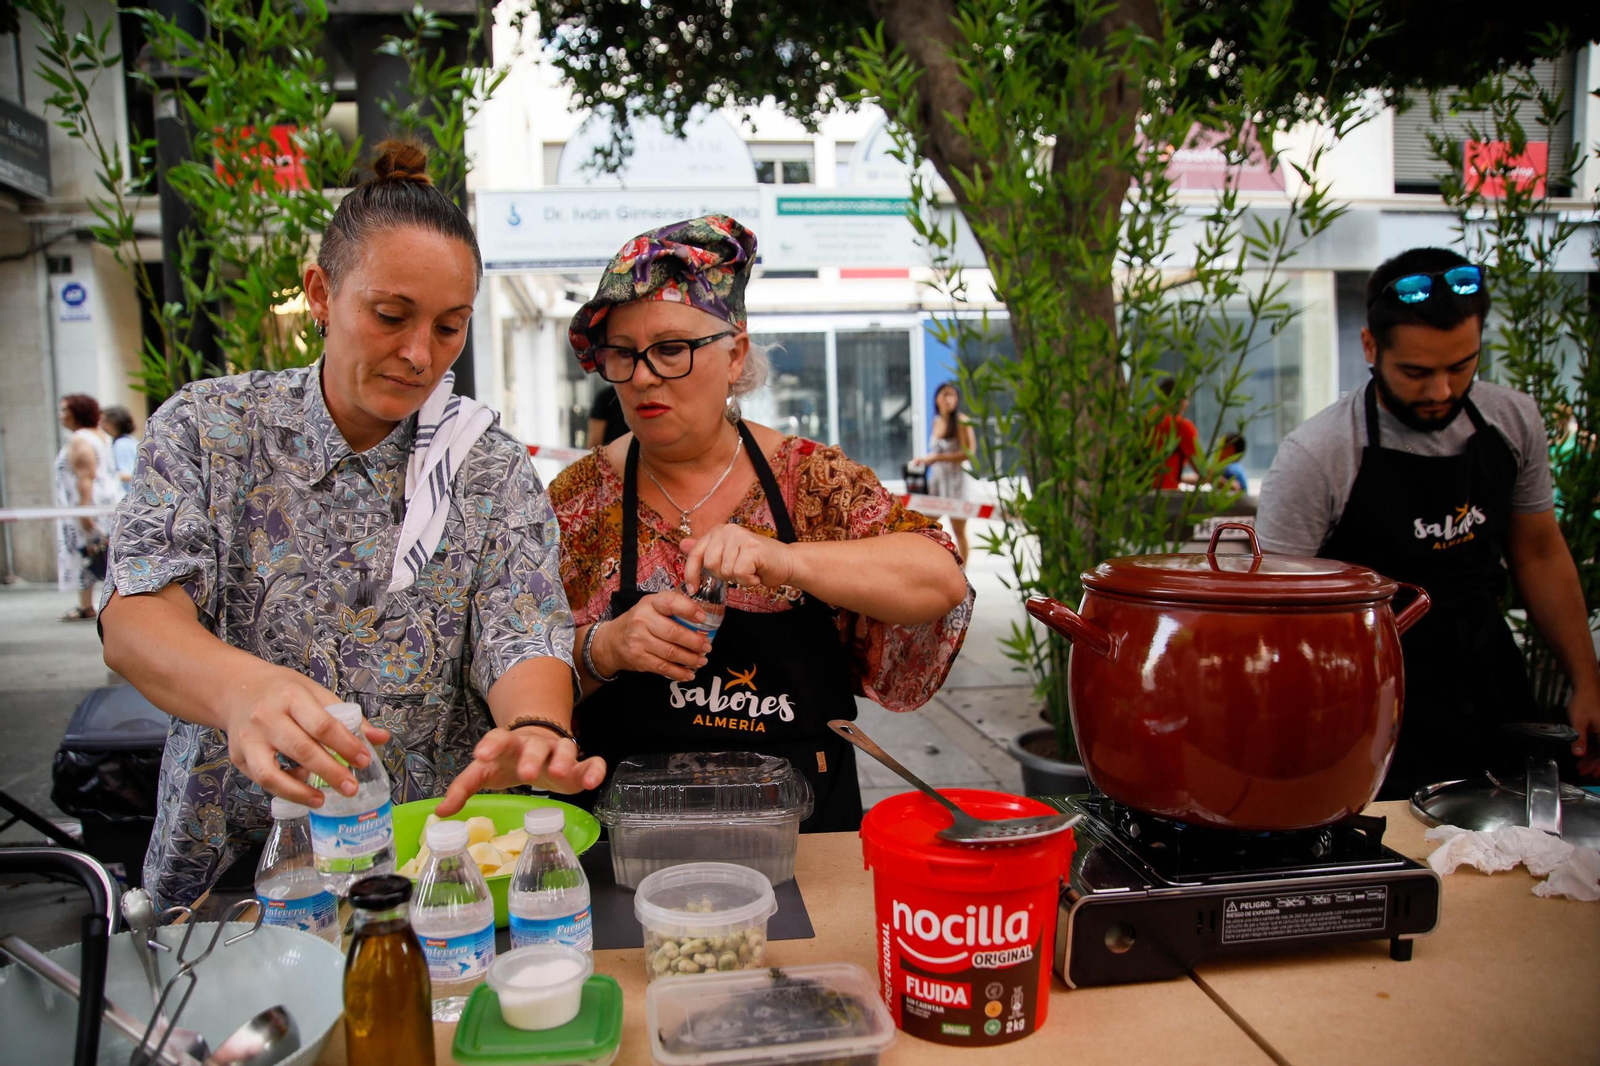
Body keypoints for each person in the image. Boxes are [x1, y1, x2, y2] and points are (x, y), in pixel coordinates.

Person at [98, 141, 601, 910]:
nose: (417, 354)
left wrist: (532, 728)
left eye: (449, 327)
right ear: (322, 293)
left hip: (434, 869)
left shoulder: (486, 464)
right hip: (241, 862)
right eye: (391, 315)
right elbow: (136, 615)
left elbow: (522, 630)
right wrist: (242, 691)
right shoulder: (214, 430)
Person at [550, 216, 973, 832]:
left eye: (670, 349)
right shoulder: (576, 503)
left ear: (735, 355)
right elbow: (513, 680)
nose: (642, 376)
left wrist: (784, 559)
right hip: (629, 846)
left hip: (803, 844)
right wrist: (604, 648)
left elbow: (940, 579)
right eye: (623, 354)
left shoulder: (815, 483)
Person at [1256, 247, 1600, 796]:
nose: (1441, 392)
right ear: (1370, 347)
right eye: (1416, 372)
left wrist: (1588, 683)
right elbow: (1270, 614)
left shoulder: (1514, 421)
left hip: (1489, 677)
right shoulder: (1319, 456)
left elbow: (1539, 552)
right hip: (1369, 696)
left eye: (1461, 366)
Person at [54, 393, 120, 621]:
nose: (60, 415)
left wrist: (83, 510)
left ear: (77, 413)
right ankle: (95, 603)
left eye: (64, 410)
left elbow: (85, 475)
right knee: (100, 552)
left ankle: (87, 606)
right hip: (107, 499)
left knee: (88, 552)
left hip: (91, 503)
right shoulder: (100, 435)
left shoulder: (80, 438)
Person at [914, 381, 979, 563]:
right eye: (945, 395)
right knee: (926, 524)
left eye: (953, 395)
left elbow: (969, 453)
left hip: (957, 482)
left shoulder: (962, 421)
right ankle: (934, 564)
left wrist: (937, 459)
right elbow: (937, 452)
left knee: (958, 529)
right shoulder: (936, 421)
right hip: (938, 481)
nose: (949, 400)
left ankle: (963, 575)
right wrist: (926, 460)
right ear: (936, 399)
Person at [1151, 378, 1199, 489]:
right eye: (1187, 399)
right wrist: (1229, 484)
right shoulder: (1181, 426)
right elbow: (1203, 471)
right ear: (1180, 400)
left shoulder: (1145, 421)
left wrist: (1183, 478)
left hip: (1136, 496)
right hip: (1163, 499)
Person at [101, 404, 139, 493]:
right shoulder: (129, 441)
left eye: (103, 421)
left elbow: (129, 474)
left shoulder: (122, 444)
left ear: (113, 423)